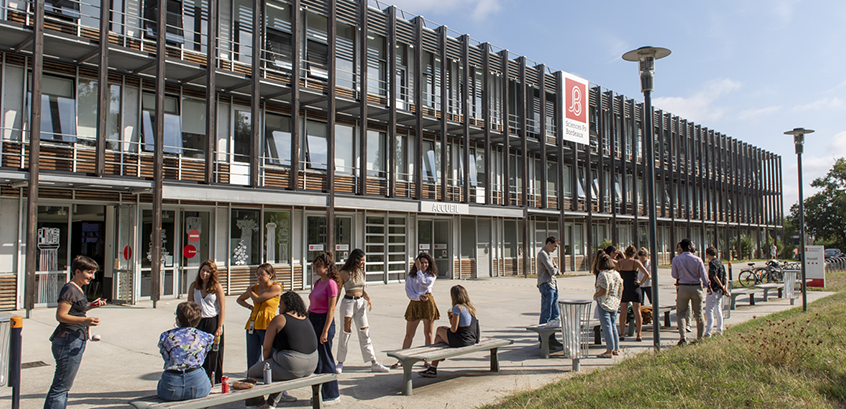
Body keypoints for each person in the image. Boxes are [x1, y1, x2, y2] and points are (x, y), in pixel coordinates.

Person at [44, 256, 105, 409]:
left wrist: (92, 305)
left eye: (93, 273)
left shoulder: (76, 289)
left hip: (74, 340)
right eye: (89, 272)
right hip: (68, 341)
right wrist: (85, 321)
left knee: (63, 386)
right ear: (77, 271)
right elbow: (61, 316)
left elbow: (76, 310)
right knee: (61, 387)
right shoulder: (70, 289)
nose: (92, 277)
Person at [245, 291, 318, 407]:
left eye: (281, 304)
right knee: (279, 371)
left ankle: (256, 403)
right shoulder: (305, 317)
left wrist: (267, 363)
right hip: (312, 364)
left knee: (252, 372)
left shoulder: (279, 319)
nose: (279, 306)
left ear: (287, 304)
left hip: (293, 364)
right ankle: (271, 403)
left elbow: (266, 348)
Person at [335, 249, 390, 373]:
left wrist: (368, 299)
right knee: (345, 332)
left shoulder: (362, 272)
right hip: (348, 303)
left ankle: (373, 361)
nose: (363, 263)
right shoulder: (343, 273)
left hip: (360, 304)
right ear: (355, 260)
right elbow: (337, 292)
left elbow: (361, 289)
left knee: (365, 332)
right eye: (361, 260)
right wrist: (332, 307)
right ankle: (340, 362)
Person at [156, 302, 214, 402]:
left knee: (162, 383)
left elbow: (166, 358)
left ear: (177, 319)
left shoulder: (165, 336)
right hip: (197, 384)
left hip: (171, 386)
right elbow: (202, 357)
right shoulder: (206, 337)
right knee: (202, 373)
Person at [418, 285, 480, 378]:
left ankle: (436, 361)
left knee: (439, 330)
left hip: (461, 340)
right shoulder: (470, 307)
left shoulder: (457, 307)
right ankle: (433, 368)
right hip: (471, 338)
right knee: (439, 339)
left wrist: (451, 319)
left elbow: (453, 329)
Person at [392, 252, 440, 369]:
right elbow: (408, 291)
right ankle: (402, 359)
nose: (424, 265)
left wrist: (419, 271)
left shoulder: (431, 275)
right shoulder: (411, 276)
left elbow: (425, 283)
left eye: (426, 263)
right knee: (409, 334)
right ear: (417, 263)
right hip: (415, 303)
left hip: (428, 303)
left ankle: (427, 359)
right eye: (421, 263)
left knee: (428, 333)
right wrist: (417, 297)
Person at [307, 252, 341, 405]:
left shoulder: (331, 284)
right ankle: (319, 394)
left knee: (326, 358)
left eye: (319, 267)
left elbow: (331, 309)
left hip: (324, 321)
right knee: (317, 360)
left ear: (327, 267)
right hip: (312, 319)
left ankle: (332, 395)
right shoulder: (317, 283)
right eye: (315, 267)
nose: (316, 270)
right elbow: (312, 304)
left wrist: (326, 330)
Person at [236, 264, 283, 370]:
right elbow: (239, 299)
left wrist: (250, 292)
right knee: (252, 354)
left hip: (268, 323)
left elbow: (258, 299)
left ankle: (272, 373)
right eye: (257, 274)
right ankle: (254, 374)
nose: (259, 277)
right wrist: (249, 307)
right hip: (253, 323)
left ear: (270, 275)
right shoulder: (255, 288)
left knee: (269, 352)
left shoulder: (276, 287)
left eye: (262, 274)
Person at [187, 260, 225, 384]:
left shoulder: (216, 287)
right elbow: (190, 305)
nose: (205, 273)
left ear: (212, 274)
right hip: (198, 321)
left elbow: (222, 307)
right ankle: (199, 378)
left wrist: (219, 326)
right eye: (203, 270)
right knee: (198, 351)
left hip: (212, 321)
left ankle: (215, 378)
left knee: (214, 352)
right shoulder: (194, 286)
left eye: (208, 271)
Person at [671, 239, 710, 345]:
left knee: (681, 313)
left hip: (683, 287)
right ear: (689, 247)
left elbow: (674, 275)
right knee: (699, 314)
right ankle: (700, 338)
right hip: (696, 287)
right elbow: (704, 275)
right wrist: (707, 285)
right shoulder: (697, 259)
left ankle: (683, 338)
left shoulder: (676, 259)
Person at [617, 245, 651, 342]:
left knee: (623, 311)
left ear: (625, 253)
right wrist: (641, 282)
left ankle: (622, 333)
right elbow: (647, 274)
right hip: (634, 287)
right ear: (635, 254)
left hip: (624, 287)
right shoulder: (635, 262)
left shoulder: (620, 263)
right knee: (637, 311)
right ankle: (639, 334)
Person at [593, 253, 622, 358]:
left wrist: (595, 295)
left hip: (604, 302)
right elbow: (620, 287)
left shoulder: (602, 274)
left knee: (606, 326)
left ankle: (609, 350)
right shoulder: (616, 274)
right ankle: (616, 348)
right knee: (613, 325)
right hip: (614, 302)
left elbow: (603, 290)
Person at [536, 236, 561, 348]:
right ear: (549, 243)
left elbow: (557, 271)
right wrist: (554, 268)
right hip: (546, 284)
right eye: (555, 246)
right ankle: (543, 340)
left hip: (553, 284)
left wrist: (554, 268)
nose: (555, 249)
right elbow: (552, 271)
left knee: (555, 313)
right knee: (546, 311)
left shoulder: (549, 255)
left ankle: (552, 337)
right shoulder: (543, 254)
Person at [704, 247, 730, 337]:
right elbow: (726, 276)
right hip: (720, 291)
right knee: (718, 309)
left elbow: (714, 276)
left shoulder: (712, 263)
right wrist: (724, 288)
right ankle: (719, 329)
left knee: (709, 310)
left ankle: (708, 331)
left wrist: (720, 286)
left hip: (713, 290)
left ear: (708, 254)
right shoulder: (720, 262)